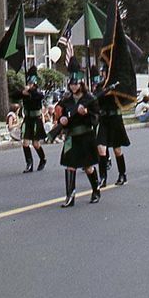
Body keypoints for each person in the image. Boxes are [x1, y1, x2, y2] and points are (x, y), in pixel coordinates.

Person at [56, 59, 101, 208]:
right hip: (72, 137)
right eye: (72, 84)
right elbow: (60, 114)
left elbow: (96, 118)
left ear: (81, 83)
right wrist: (61, 120)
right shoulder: (66, 100)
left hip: (86, 136)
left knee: (88, 167)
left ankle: (96, 190)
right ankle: (70, 196)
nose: (74, 86)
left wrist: (86, 113)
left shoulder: (89, 99)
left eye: (76, 83)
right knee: (70, 166)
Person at [94, 71, 131, 187]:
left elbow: (124, 99)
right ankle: (103, 177)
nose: (104, 74)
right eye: (104, 72)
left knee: (117, 149)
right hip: (104, 119)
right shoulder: (100, 86)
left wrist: (114, 91)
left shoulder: (118, 86)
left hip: (115, 118)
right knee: (101, 148)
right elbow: (95, 99)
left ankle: (122, 174)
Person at [20, 65, 47, 173]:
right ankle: (29, 163)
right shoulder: (25, 92)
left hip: (36, 119)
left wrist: (31, 91)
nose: (29, 85)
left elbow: (39, 96)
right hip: (27, 119)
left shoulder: (37, 93)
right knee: (25, 143)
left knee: (36, 143)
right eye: (28, 83)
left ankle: (43, 158)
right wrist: (23, 92)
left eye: (31, 83)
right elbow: (15, 94)